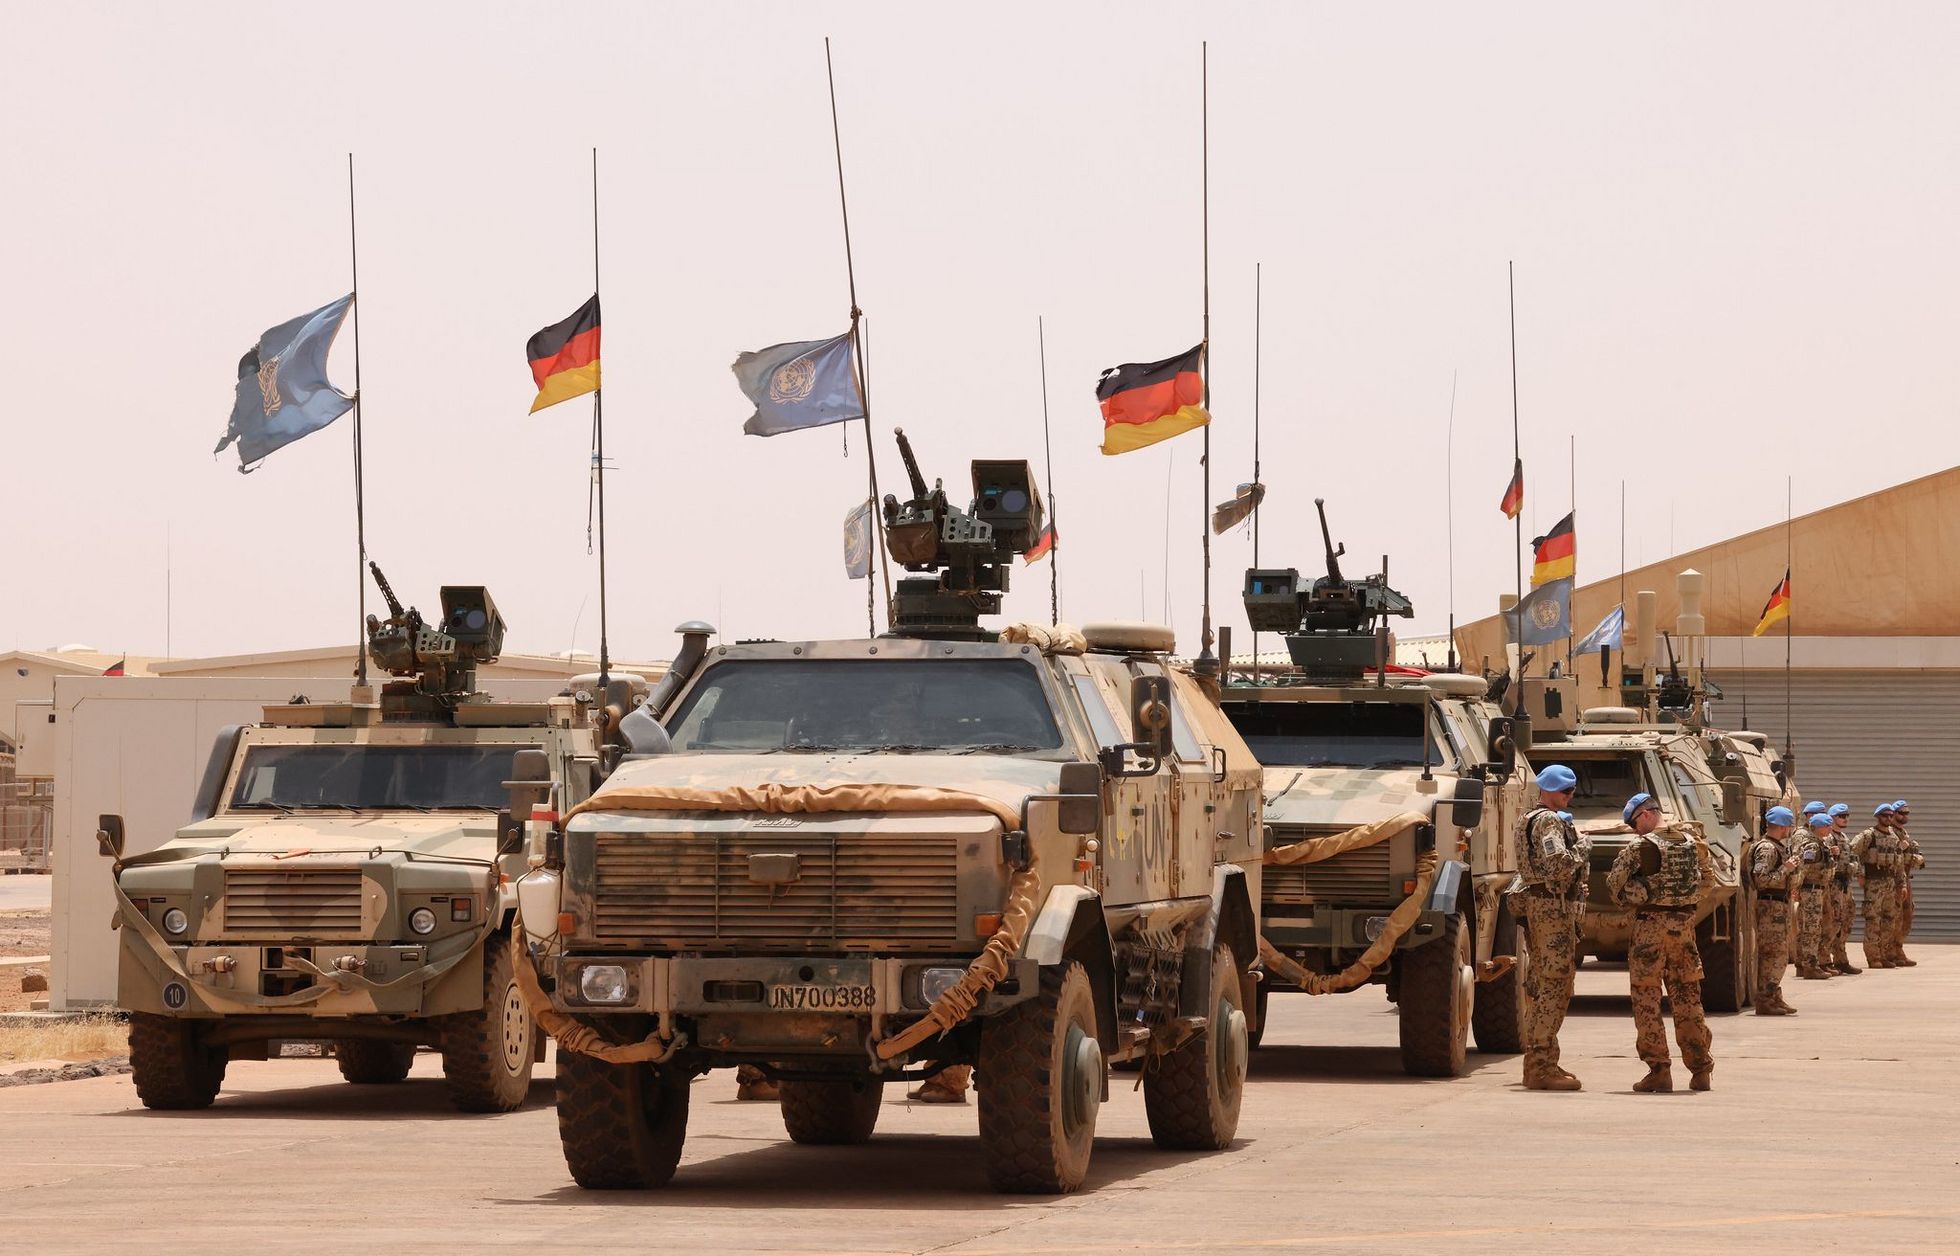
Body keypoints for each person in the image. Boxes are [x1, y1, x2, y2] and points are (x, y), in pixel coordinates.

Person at [1605, 792, 1715, 1092]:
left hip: (1649, 931)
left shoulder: (1640, 847)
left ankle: (1659, 1071)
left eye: (1633, 822)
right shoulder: (1693, 844)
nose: (1634, 829)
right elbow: (1709, 881)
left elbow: (1614, 886)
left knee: (1646, 1000)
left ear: (1645, 815)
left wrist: (1638, 894)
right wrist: (1682, 905)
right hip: (1684, 929)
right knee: (1688, 998)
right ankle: (1701, 1069)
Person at [1513, 764, 1589, 1091]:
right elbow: (1557, 864)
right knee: (1556, 984)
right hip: (1551, 910)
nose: (1570, 799)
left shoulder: (1527, 818)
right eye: (1567, 792)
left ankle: (1542, 1061)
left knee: (1543, 983)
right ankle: (1541, 1066)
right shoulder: (1548, 821)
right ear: (1552, 791)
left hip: (1541, 905)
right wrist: (1583, 849)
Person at [1749, 806, 1803, 1014]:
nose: (1790, 829)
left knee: (1779, 954)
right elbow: (1761, 880)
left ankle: (1774, 995)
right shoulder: (1767, 849)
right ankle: (1765, 1000)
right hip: (1770, 907)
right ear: (1781, 826)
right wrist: (1785, 869)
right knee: (1772, 954)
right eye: (1788, 825)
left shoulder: (1778, 847)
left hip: (1778, 906)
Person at [1851, 803, 1907, 968]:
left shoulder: (1894, 837)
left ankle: (1884, 954)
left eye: (1890, 816)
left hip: (1890, 883)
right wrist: (1860, 874)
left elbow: (1899, 863)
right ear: (1878, 817)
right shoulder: (1869, 835)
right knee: (1873, 919)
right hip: (1874, 883)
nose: (1888, 819)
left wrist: (1902, 884)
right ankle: (1873, 956)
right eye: (1885, 816)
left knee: (1889, 919)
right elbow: (1852, 852)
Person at [1794, 813, 1838, 980]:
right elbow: (1804, 868)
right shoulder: (1812, 845)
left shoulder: (1820, 843)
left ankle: (1809, 964)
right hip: (1811, 890)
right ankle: (1809, 966)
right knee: (1811, 929)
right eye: (1827, 825)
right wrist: (1797, 887)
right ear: (1819, 827)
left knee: (1814, 927)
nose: (1829, 828)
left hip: (1818, 889)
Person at [1826, 804, 1861, 975]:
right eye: (1841, 816)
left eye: (1847, 815)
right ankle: (1824, 960)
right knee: (1832, 922)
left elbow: (1854, 859)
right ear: (1832, 818)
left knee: (1846, 922)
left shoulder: (1845, 838)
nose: (1845, 818)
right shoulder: (1828, 838)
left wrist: (1853, 867)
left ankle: (1841, 959)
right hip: (1834, 885)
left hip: (1846, 885)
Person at [1892, 801, 1924, 966]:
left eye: (1907, 813)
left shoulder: (1903, 833)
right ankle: (1889, 952)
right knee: (1893, 917)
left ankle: (1898, 949)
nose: (1905, 816)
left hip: (1905, 877)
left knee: (1906, 916)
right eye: (1901, 813)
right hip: (1894, 880)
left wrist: (1915, 858)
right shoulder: (1889, 833)